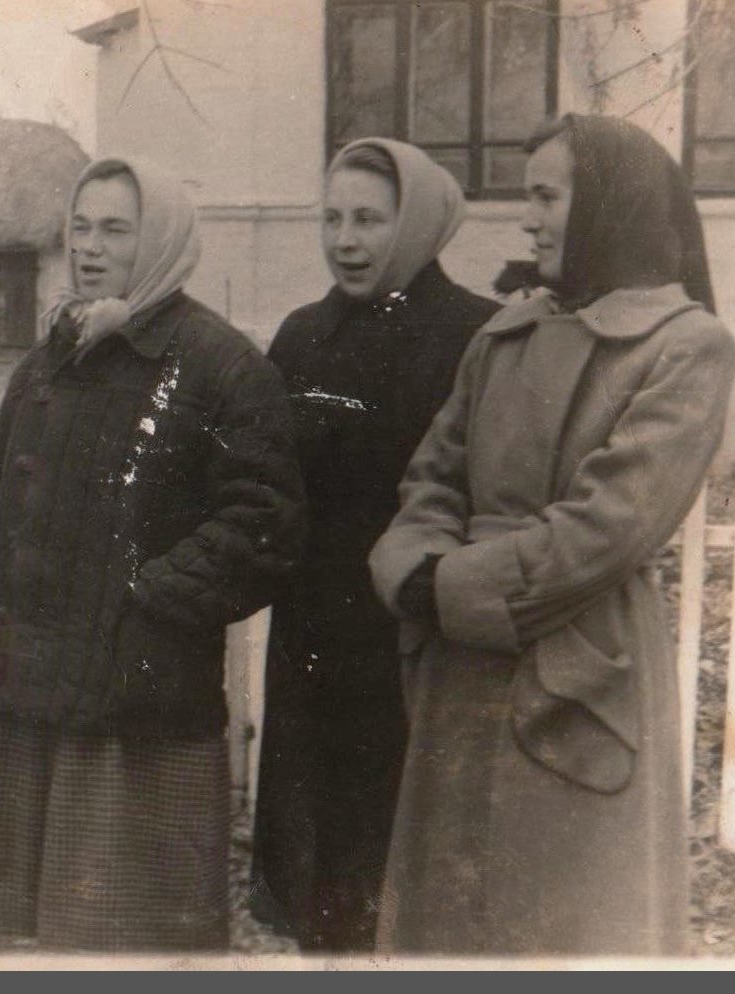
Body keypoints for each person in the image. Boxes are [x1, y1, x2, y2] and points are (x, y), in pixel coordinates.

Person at [368, 114, 735, 955]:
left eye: (545, 196)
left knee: (567, 930)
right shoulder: (504, 335)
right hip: (462, 666)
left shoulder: (687, 347)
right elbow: (432, 478)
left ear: (607, 204)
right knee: (453, 923)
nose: (527, 219)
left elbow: (610, 526)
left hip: (580, 667)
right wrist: (414, 569)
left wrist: (452, 586)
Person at [0, 156, 305, 952]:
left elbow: (265, 522)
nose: (89, 247)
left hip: (139, 712)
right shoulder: (48, 361)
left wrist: (148, 606)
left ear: (162, 240)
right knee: (28, 947)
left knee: (130, 943)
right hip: (28, 700)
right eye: (80, 227)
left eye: (115, 229)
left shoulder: (221, 366)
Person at [249, 139, 499, 951]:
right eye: (331, 219)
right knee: (323, 877)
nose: (345, 240)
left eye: (368, 219)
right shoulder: (302, 336)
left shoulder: (477, 336)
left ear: (415, 221)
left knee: (409, 873)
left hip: (419, 636)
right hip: (314, 638)